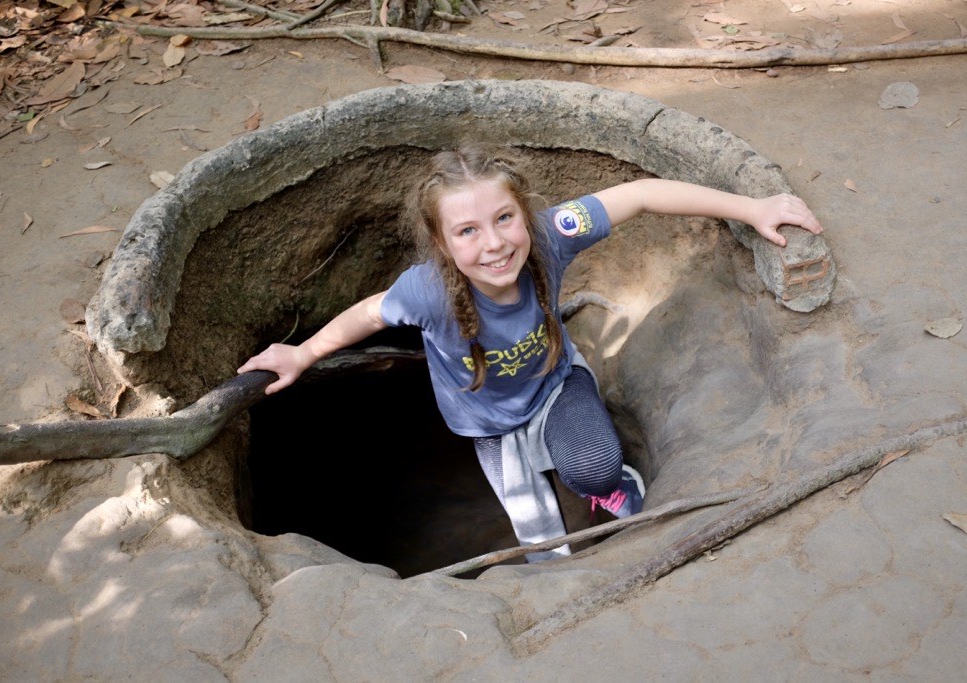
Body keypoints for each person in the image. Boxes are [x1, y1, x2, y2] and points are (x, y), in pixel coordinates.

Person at [237, 144, 824, 562]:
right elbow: (368, 313)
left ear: (524, 214)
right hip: (484, 423)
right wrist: (302, 354)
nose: (493, 243)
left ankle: (609, 485)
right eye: (466, 231)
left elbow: (641, 194)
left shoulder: (549, 237)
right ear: (441, 243)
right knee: (540, 539)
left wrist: (752, 209)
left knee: (590, 466)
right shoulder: (427, 289)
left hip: (554, 384)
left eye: (503, 218)